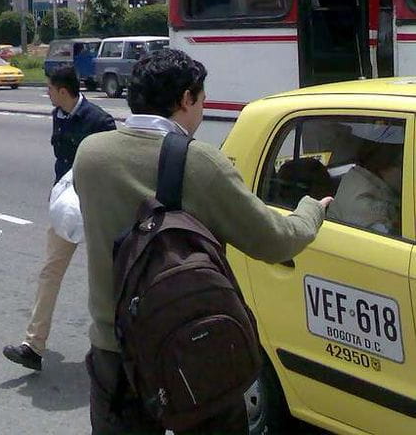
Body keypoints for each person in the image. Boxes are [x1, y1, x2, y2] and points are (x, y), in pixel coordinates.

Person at [74, 49, 333, 435]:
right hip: (190, 345)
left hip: (114, 350)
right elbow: (276, 241)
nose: (202, 110)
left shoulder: (90, 155)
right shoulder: (200, 163)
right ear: (185, 100)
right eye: (201, 100)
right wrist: (312, 208)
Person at [3, 64, 116, 371]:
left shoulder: (99, 121)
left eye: (50, 89)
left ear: (63, 91)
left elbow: (111, 167)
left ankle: (115, 348)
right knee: (50, 272)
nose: (47, 93)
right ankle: (33, 346)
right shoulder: (59, 115)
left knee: (106, 279)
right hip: (64, 209)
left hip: (95, 212)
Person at [327, 123, 403, 235]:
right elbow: (392, 240)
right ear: (385, 166)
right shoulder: (364, 202)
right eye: (402, 167)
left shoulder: (365, 180)